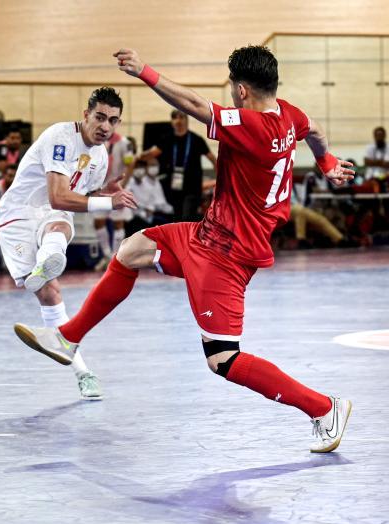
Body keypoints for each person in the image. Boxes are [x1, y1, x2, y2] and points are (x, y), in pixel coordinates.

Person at [33, 46, 354, 453]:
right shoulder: (289, 115)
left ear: (241, 90)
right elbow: (316, 131)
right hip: (206, 234)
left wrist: (144, 71)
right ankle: (68, 338)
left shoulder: (254, 125)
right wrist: (326, 163)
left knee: (223, 359)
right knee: (131, 251)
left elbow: (196, 106)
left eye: (232, 88)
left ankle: (324, 408)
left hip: (227, 254)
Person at [1, 87, 138, 401]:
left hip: (52, 215)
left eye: (113, 120)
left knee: (60, 226)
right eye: (99, 117)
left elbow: (77, 196)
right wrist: (109, 203)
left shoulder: (100, 157)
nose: (105, 126)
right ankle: (46, 264)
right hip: (18, 216)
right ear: (85, 114)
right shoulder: (61, 137)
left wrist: (104, 192)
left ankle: (83, 373)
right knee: (49, 293)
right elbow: (58, 196)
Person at [141, 110, 217, 221]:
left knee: (187, 217)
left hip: (192, 187)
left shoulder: (196, 139)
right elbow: (151, 154)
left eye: (181, 117)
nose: (178, 121)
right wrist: (136, 158)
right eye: (175, 118)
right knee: (176, 218)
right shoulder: (167, 139)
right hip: (174, 187)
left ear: (186, 120)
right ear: (172, 121)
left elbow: (212, 159)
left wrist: (219, 176)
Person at [93, 132, 136, 270]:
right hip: (101, 188)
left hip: (118, 186)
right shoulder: (96, 141)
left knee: (118, 223)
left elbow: (130, 164)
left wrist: (123, 186)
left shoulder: (124, 143)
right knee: (98, 222)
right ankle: (107, 256)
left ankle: (116, 258)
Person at [124, 159, 174, 234]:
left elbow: (152, 201)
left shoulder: (148, 186)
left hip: (148, 217)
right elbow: (129, 203)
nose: (139, 170)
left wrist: (150, 209)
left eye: (141, 167)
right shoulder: (129, 183)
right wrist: (144, 211)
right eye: (137, 167)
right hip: (134, 217)